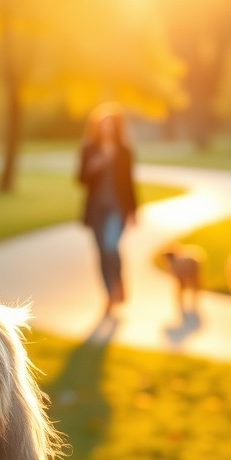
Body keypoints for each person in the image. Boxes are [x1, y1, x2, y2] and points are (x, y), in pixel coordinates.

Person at [76, 103, 138, 314]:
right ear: (97, 127)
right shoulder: (89, 149)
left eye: (110, 125)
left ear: (116, 127)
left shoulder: (124, 151)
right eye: (103, 124)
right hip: (96, 210)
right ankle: (109, 293)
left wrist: (134, 210)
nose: (106, 129)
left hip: (117, 208)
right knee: (101, 251)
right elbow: (80, 179)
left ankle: (118, 283)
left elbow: (130, 182)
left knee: (111, 245)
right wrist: (93, 167)